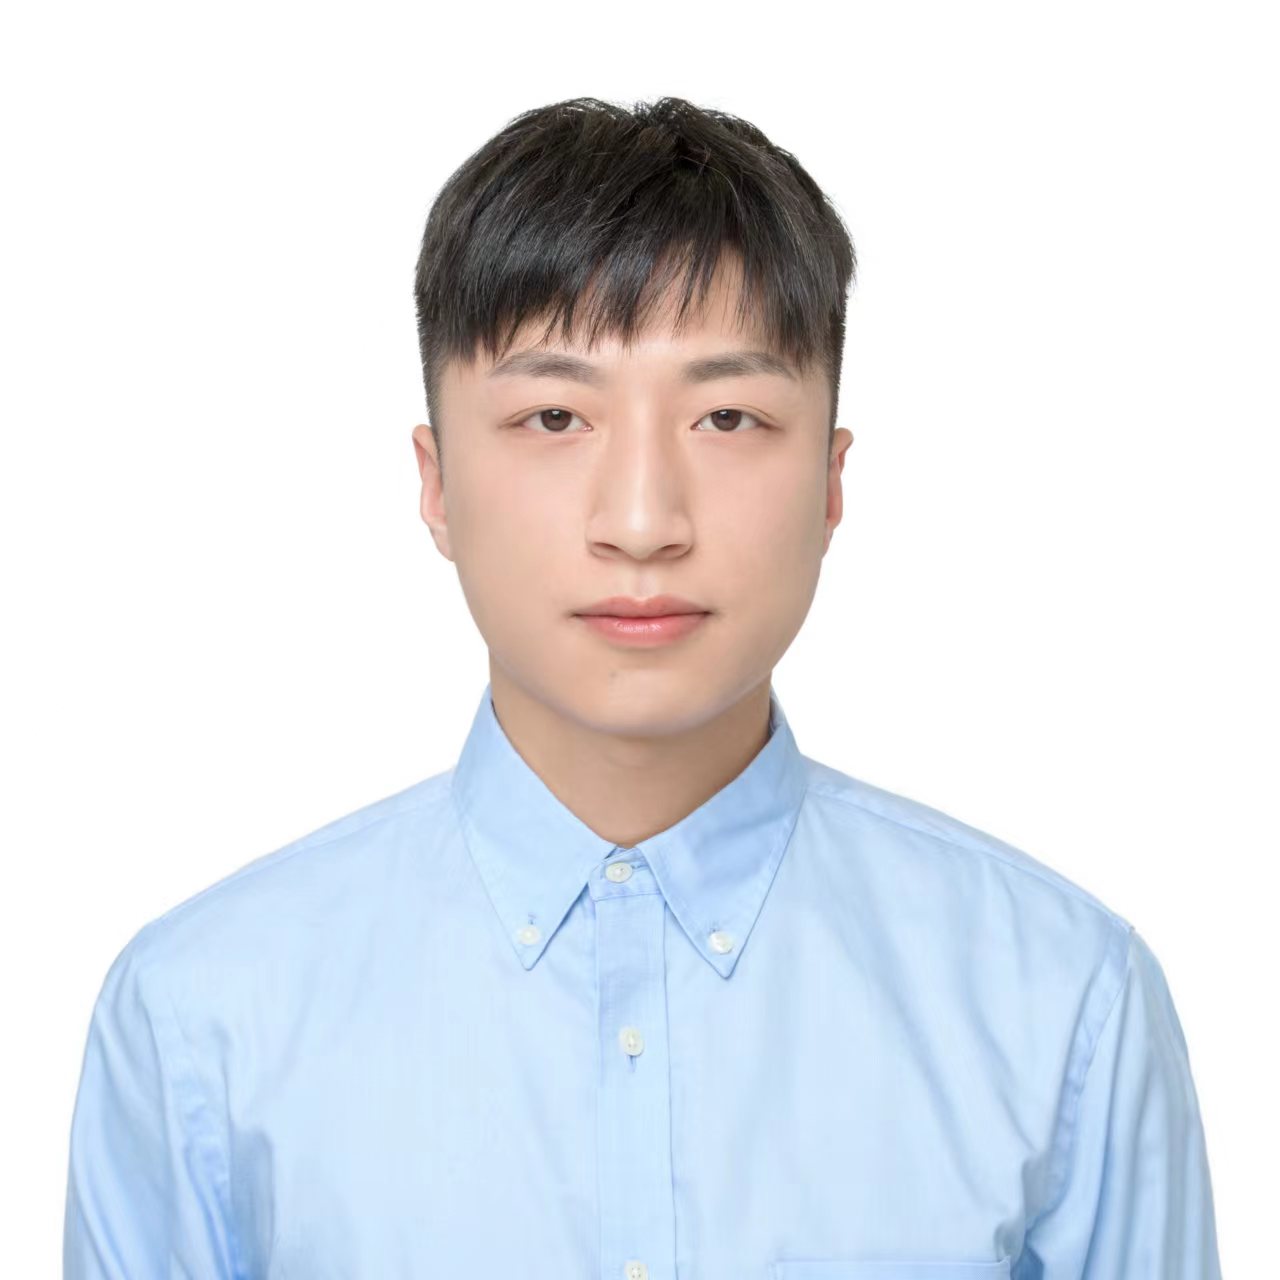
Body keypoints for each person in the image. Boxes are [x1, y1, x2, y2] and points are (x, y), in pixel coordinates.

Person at [63, 95, 1222, 1279]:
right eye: (553, 414)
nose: (640, 519)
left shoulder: (1060, 1000)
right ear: (436, 482)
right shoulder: (201, 1017)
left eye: (726, 416)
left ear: (830, 480)